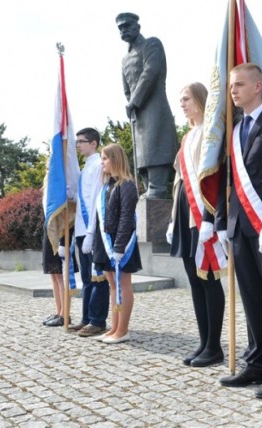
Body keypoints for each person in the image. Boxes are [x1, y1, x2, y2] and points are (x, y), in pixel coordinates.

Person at [202, 63, 262, 399]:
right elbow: (230, 181)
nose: (234, 91)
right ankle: (256, 363)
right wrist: (223, 222)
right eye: (231, 86)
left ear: (258, 86)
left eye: (240, 85)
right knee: (252, 299)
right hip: (240, 228)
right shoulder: (235, 129)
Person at [167, 83, 225, 367]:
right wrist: (171, 220)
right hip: (184, 216)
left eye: (186, 98)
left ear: (200, 100)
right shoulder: (187, 137)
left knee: (209, 281)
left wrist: (211, 219)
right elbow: (179, 182)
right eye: (181, 99)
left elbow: (211, 180)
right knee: (195, 283)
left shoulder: (210, 135)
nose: (182, 104)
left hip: (202, 217)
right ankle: (204, 342)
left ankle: (215, 346)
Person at [83, 143, 141, 344]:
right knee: (112, 285)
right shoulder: (108, 186)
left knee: (122, 284)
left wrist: (118, 247)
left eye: (105, 158)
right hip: (105, 241)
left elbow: (126, 218)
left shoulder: (127, 185)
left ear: (116, 159)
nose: (102, 162)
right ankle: (114, 328)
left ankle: (122, 330)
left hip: (120, 243)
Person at [116, 12, 178, 199]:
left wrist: (135, 100)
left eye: (127, 26)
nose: (123, 30)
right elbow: (126, 87)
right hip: (137, 112)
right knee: (142, 153)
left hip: (154, 107)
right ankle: (149, 187)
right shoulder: (125, 59)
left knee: (155, 146)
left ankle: (157, 188)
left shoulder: (151, 44)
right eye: (120, 28)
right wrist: (131, 103)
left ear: (137, 27)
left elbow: (150, 73)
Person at [67, 128, 110, 337]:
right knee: (86, 277)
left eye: (82, 142)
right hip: (82, 230)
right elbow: (82, 197)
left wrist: (92, 232)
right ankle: (86, 317)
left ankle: (97, 320)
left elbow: (95, 201)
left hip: (92, 229)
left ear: (93, 143)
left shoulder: (98, 166)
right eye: (77, 142)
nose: (78, 145)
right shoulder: (85, 168)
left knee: (97, 277)